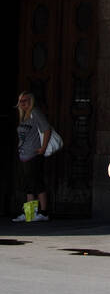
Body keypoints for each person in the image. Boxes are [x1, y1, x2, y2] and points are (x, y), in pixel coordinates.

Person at [13, 92, 51, 221]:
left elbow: (46, 129)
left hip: (34, 154)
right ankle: (30, 214)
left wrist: (43, 148)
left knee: (37, 183)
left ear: (31, 101)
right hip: (24, 154)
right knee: (28, 185)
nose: (22, 103)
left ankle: (44, 212)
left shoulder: (35, 113)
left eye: (25, 100)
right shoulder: (24, 116)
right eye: (20, 101)